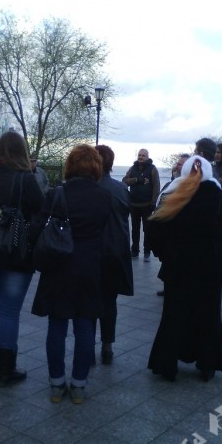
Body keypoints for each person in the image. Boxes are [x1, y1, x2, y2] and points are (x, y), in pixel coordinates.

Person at [147, 155, 222, 382]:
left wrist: (165, 255)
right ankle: (208, 364)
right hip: (210, 268)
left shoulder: (174, 197)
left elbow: (155, 231)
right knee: (208, 316)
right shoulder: (220, 200)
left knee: (173, 315)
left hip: (178, 267)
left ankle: (167, 365)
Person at [32, 144, 111, 404]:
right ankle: (78, 385)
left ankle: (57, 384)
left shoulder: (57, 193)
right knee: (85, 327)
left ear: (70, 166)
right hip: (89, 268)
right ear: (96, 167)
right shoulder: (104, 196)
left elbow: (37, 226)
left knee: (57, 327)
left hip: (59, 266)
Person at [0, 131, 43, 387]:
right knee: (9, 312)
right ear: (21, 151)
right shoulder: (25, 179)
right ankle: (6, 370)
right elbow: (41, 211)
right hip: (17, 251)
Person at [96, 145, 134, 364]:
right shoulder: (121, 188)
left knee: (89, 299)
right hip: (115, 250)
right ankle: (107, 345)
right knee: (109, 301)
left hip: (93, 251)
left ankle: (87, 344)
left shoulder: (89, 187)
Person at [156, 153, 190, 297]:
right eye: (177, 163)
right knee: (167, 261)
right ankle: (168, 286)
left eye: (180, 164)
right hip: (165, 229)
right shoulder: (172, 183)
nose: (176, 166)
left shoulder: (187, 187)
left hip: (176, 231)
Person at [122, 148, 160, 261]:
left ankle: (147, 252)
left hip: (147, 205)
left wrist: (154, 202)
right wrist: (137, 180)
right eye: (139, 155)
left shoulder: (152, 169)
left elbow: (156, 186)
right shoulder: (132, 168)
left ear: (147, 157)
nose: (141, 157)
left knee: (147, 230)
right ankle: (134, 251)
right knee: (135, 229)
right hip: (133, 204)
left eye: (143, 155)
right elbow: (124, 181)